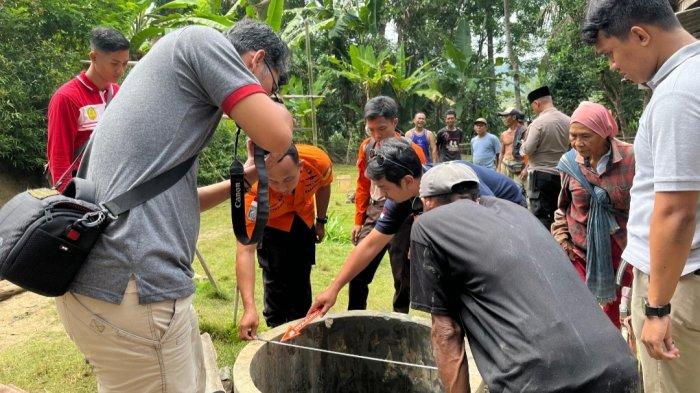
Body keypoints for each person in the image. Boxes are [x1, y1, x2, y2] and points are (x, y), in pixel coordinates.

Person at [54, 19, 294, 392]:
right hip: (134, 287)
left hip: (113, 289)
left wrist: (246, 177)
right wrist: (276, 111)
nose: (269, 97)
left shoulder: (175, 95)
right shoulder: (201, 41)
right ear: (257, 60)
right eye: (273, 87)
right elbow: (279, 135)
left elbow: (178, 202)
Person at [409, 163, 639, 393]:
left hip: (540, 381)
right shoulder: (515, 212)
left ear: (428, 202)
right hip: (618, 366)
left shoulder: (429, 225)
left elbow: (446, 332)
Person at [583, 1, 700, 392]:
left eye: (611, 53)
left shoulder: (677, 95)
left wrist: (657, 307)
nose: (613, 66)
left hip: (680, 286)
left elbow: (675, 213)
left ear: (640, 35)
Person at [309, 139, 526, 317]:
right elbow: (370, 244)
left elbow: (492, 227)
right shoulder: (402, 197)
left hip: (507, 212)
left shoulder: (454, 182)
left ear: (407, 181)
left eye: (383, 187)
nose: (382, 195)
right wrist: (333, 288)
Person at [200, 144, 332, 339]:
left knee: (302, 275)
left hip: (302, 218)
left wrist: (320, 221)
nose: (283, 188)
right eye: (273, 182)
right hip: (270, 224)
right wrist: (249, 308)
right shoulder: (251, 191)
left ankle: (301, 326)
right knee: (275, 279)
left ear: (301, 166)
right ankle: (277, 328)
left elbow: (324, 185)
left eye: (288, 179)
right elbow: (245, 250)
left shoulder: (317, 161)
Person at [551, 101, 635, 328]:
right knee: (586, 317)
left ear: (604, 133)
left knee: (626, 316)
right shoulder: (569, 164)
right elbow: (563, 207)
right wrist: (562, 238)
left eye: (585, 136)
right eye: (573, 136)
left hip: (624, 253)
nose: (577, 143)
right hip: (581, 252)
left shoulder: (631, 159)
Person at [350, 96, 427, 312]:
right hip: (376, 211)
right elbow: (363, 184)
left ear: (395, 122)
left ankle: (400, 321)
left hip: (405, 213)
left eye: (381, 128)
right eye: (371, 129)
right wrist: (359, 219)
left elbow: (420, 192)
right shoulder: (367, 147)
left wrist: (418, 229)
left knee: (403, 276)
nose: (376, 135)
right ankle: (354, 318)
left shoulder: (413, 150)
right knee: (358, 270)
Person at [47, 27, 130, 192]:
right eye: (114, 63)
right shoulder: (67, 98)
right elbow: (59, 158)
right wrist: (69, 202)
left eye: (125, 64)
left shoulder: (118, 93)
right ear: (93, 57)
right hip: (81, 190)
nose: (120, 70)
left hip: (110, 188)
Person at [521, 86, 571, 229]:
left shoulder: (538, 123)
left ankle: (545, 248)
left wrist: (522, 145)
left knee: (541, 216)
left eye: (533, 107)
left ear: (537, 103)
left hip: (540, 176)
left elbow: (528, 150)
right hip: (562, 174)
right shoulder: (568, 120)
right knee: (560, 213)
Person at [497, 108, 527, 187]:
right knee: (505, 190)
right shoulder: (504, 134)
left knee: (520, 191)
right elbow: (502, 152)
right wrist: (499, 168)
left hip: (519, 166)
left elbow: (530, 153)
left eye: (506, 116)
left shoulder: (524, 132)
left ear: (514, 117)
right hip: (505, 164)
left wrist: (526, 168)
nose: (504, 119)